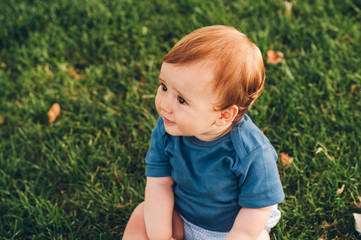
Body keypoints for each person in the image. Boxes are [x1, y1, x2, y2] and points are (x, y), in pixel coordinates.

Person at [123, 25, 284, 240]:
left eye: (181, 99)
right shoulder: (167, 128)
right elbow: (159, 182)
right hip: (180, 215)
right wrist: (161, 236)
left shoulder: (252, 152)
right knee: (142, 215)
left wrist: (238, 235)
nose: (165, 105)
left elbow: (257, 210)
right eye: (163, 86)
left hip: (231, 229)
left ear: (224, 115)